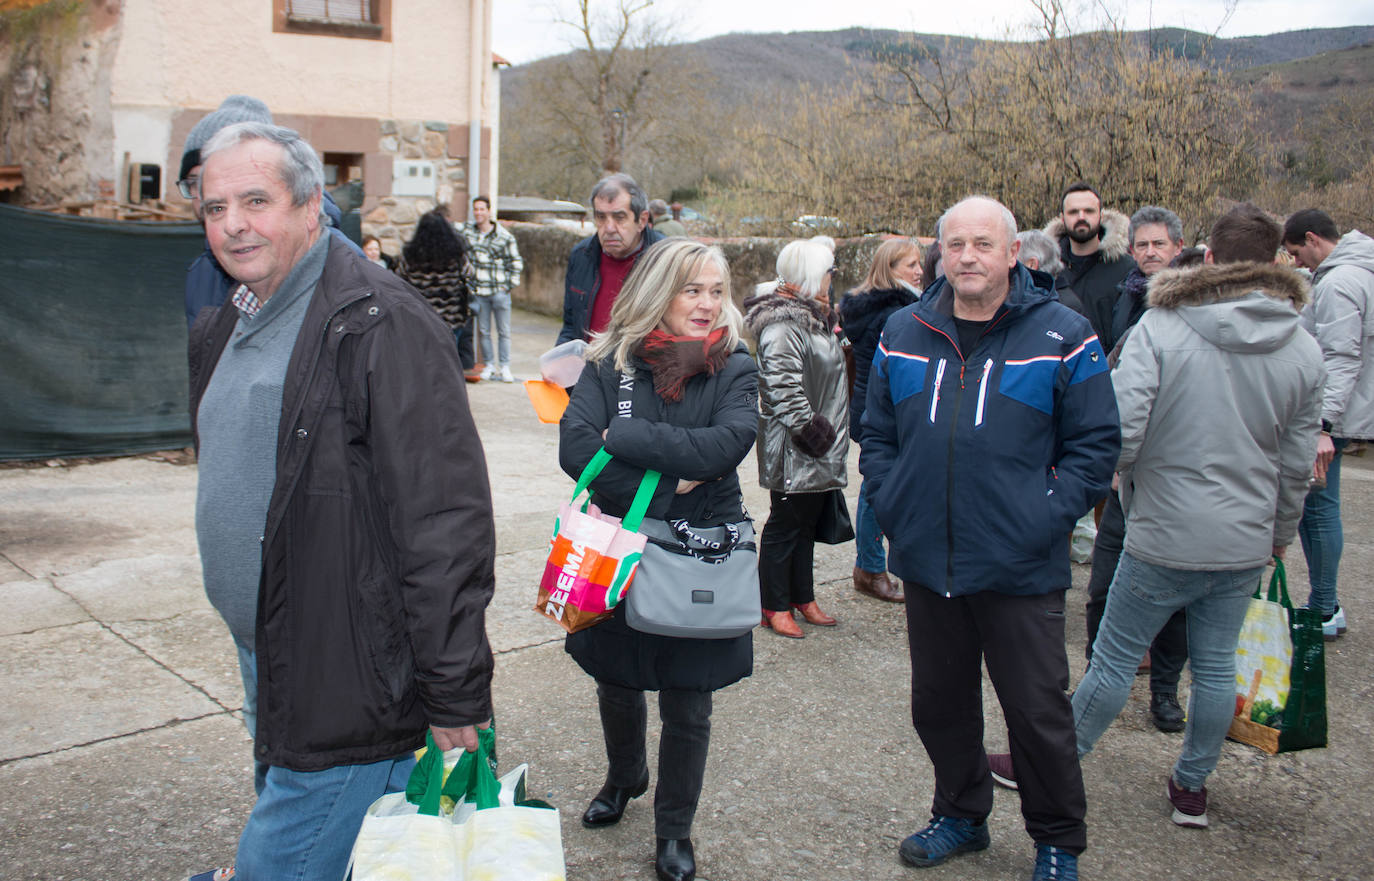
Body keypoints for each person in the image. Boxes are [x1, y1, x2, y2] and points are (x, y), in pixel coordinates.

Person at [187, 122, 494, 881]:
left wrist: (455, 692)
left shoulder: (380, 322)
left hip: (351, 671)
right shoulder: (233, 316)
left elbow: (443, 519)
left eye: (255, 200)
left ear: (312, 203)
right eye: (214, 206)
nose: (232, 223)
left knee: (278, 861)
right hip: (273, 649)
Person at [861, 196, 1118, 880]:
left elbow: (1096, 446)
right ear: (939, 253)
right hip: (927, 556)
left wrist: (1044, 515)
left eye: (983, 243)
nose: (967, 256)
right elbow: (878, 433)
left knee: (1036, 712)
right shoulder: (901, 329)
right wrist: (893, 502)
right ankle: (962, 814)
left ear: (1014, 255)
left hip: (1020, 562)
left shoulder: (1063, 334)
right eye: (955, 244)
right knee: (939, 704)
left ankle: (1058, 839)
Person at [1050, 203, 1322, 829]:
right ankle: (1192, 784)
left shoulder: (1161, 327)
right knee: (1218, 664)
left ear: (1210, 254)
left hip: (1164, 530)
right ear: (1276, 258)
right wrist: (1279, 535)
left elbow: (1121, 431)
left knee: (1116, 657)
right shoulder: (1303, 348)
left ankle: (1056, 759)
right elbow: (1294, 461)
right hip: (1244, 537)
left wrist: (1119, 484)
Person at [559, 239, 758, 881]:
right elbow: (578, 449)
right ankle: (625, 778)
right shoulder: (608, 361)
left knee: (688, 698)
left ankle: (674, 830)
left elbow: (725, 446)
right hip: (617, 544)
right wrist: (670, 482)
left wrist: (631, 441)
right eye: (690, 289)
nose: (706, 304)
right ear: (657, 290)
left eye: (715, 291)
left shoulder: (735, 366)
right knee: (615, 679)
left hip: (700, 552)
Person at [1079, 205, 1191, 734]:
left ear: (1178, 247)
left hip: (1172, 470)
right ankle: (1094, 678)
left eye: (1158, 245)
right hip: (1124, 467)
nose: (1149, 253)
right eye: (1142, 245)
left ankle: (1165, 694)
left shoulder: (1193, 305)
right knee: (1104, 581)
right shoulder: (1128, 295)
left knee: (1173, 598)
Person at [179, 95, 361, 329]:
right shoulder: (201, 274)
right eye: (196, 181)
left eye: (254, 200)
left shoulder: (348, 274)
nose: (208, 192)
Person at [745, 239, 850, 638]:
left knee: (805, 524)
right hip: (798, 446)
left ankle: (801, 597)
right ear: (810, 275)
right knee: (786, 525)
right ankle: (772, 604)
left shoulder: (816, 316)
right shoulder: (784, 324)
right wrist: (812, 432)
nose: (832, 277)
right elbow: (781, 387)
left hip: (816, 446)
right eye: (827, 270)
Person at [1283, 208, 1374, 640]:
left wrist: (1322, 424)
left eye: (1296, 252)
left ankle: (1323, 607)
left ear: (1313, 239)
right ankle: (1325, 601)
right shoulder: (1359, 269)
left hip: (1331, 416)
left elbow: (1341, 356)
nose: (1297, 263)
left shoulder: (1338, 281)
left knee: (1318, 510)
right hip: (1342, 411)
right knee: (1319, 509)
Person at [837, 237, 922, 603]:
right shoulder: (895, 311)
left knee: (878, 485)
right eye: (911, 265)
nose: (920, 271)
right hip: (885, 409)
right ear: (891, 270)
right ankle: (870, 568)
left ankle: (871, 565)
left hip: (870, 405)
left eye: (920, 263)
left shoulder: (871, 305)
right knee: (878, 490)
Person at [557, 173, 665, 345]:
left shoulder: (668, 260)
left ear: (642, 220)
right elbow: (570, 327)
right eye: (601, 217)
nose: (608, 228)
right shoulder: (581, 256)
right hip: (587, 368)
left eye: (619, 217)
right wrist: (559, 363)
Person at [1043, 182, 1136, 344]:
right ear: (1062, 217)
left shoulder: (1126, 268)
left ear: (1100, 215)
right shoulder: (1047, 270)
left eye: (1089, 211)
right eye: (1073, 212)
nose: (1081, 217)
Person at [396, 210, 476, 372]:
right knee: (447, 363)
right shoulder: (457, 254)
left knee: (421, 363)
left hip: (420, 318)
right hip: (450, 319)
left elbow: (399, 279)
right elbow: (470, 274)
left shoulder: (409, 255)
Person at [461, 195, 524, 383]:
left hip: (499, 291)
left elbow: (516, 262)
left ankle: (504, 366)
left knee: (504, 331)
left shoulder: (504, 236)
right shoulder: (467, 233)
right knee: (483, 331)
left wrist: (508, 286)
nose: (478, 212)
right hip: (479, 291)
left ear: (489, 211)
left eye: (482, 209)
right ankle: (489, 364)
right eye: (476, 209)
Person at [1016, 229, 1083, 314]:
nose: (1009, 266)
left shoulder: (1062, 307)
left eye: (1014, 259)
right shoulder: (1042, 299)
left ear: (1032, 264)